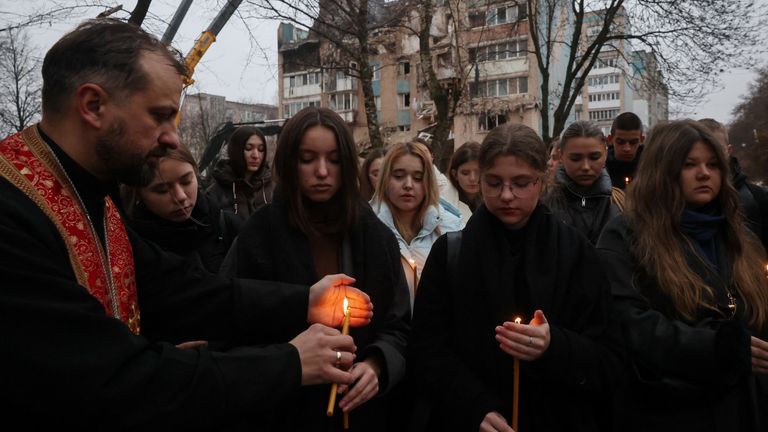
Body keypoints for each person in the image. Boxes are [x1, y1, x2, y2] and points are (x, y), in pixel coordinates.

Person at [0, 19, 375, 429]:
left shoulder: (89, 196)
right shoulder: (12, 212)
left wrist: (305, 301)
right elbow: (114, 378)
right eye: (160, 116)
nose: (171, 138)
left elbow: (184, 289)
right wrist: (289, 362)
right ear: (93, 105)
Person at [408, 123, 620, 432]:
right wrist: (472, 405)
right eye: (494, 183)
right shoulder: (451, 254)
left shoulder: (576, 253)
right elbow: (426, 351)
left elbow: (609, 358)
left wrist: (554, 345)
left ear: (541, 181)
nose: (507, 195)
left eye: (521, 183)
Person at [226, 106, 410, 431]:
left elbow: (399, 325)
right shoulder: (258, 235)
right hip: (283, 412)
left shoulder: (375, 235)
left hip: (363, 413)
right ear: (289, 162)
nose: (322, 172)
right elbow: (234, 322)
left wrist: (378, 363)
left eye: (334, 160)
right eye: (308, 159)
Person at [597, 120, 768, 431]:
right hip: (668, 408)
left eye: (712, 164)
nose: (704, 173)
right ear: (663, 170)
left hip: (742, 406)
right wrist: (715, 347)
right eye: (690, 164)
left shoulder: (736, 234)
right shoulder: (627, 235)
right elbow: (627, 323)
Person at [371, 141, 463, 309]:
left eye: (418, 178)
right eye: (399, 176)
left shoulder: (452, 228)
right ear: (385, 178)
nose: (408, 185)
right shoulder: (368, 226)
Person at [121, 145, 239, 273]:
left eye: (186, 181)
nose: (180, 197)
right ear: (138, 193)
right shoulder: (128, 248)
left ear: (196, 174)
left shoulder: (225, 224)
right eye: (163, 190)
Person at [543, 121, 624, 244]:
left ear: (606, 154)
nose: (585, 166)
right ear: (561, 156)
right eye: (576, 158)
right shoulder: (544, 203)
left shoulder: (621, 203)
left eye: (594, 157)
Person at [699, 117, 768, 252]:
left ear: (728, 150)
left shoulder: (757, 198)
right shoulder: (674, 199)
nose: (710, 155)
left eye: (716, 149)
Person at [206, 125, 274, 221]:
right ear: (236, 150)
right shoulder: (215, 193)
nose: (256, 155)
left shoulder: (273, 189)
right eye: (248, 148)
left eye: (261, 149)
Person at [606, 112, 645, 189]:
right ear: (610, 139)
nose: (627, 148)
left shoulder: (652, 169)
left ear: (641, 140)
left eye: (633, 142)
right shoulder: (600, 168)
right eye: (620, 142)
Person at [448, 141, 482, 222]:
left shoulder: (494, 200)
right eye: (465, 173)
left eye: (478, 172)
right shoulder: (444, 205)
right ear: (455, 174)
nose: (472, 178)